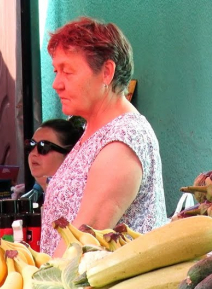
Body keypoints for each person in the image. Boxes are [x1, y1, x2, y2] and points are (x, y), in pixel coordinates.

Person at [41, 16, 168, 257]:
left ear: (106, 72)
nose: (56, 84)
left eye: (67, 71)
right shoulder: (96, 130)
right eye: (56, 71)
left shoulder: (123, 138)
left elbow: (83, 238)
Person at [26, 116, 86, 203]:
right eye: (31, 145)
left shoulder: (74, 202)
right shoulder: (32, 201)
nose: (33, 153)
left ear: (69, 155)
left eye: (44, 146)